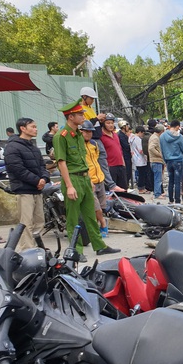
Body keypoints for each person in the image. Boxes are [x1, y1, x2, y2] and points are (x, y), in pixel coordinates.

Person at [53, 100, 120, 260]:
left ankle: (100, 245)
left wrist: (88, 178)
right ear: (71, 117)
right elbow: (61, 162)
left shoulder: (78, 135)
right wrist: (69, 186)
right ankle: (76, 250)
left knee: (90, 215)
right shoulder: (61, 136)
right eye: (80, 114)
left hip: (84, 179)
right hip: (73, 180)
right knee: (73, 218)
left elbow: (83, 160)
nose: (83, 116)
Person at [4, 117, 50, 251]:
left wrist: (44, 179)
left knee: (39, 221)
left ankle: (37, 247)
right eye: (33, 127)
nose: (36, 129)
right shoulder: (12, 147)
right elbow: (17, 169)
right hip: (24, 190)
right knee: (26, 223)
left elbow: (42, 166)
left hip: (37, 190)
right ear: (23, 128)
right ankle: (27, 250)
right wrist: (37, 181)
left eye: (36, 127)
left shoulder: (33, 147)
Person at [80, 120, 108, 238]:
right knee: (95, 206)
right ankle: (103, 224)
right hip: (88, 179)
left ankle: (97, 227)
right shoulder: (78, 145)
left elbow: (97, 160)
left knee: (102, 206)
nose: (88, 134)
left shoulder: (94, 144)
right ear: (80, 132)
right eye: (86, 132)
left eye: (90, 132)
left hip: (99, 178)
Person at [160, 120, 183, 204]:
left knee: (170, 181)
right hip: (178, 161)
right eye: (178, 127)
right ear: (176, 126)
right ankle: (177, 200)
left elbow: (162, 150)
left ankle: (171, 200)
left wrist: (165, 160)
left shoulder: (162, 136)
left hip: (168, 161)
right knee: (177, 182)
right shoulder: (179, 137)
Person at [101, 113, 127, 189]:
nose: (111, 125)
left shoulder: (115, 135)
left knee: (123, 189)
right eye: (108, 123)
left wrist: (123, 163)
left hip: (120, 165)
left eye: (112, 123)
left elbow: (120, 149)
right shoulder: (101, 136)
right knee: (112, 191)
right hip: (110, 167)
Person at [149, 123, 165, 199]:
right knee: (158, 178)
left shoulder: (153, 136)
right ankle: (157, 194)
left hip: (155, 160)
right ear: (161, 131)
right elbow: (151, 148)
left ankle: (157, 192)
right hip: (156, 160)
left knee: (157, 178)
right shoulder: (155, 138)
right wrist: (160, 154)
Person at [130, 125, 148, 193]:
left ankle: (141, 187)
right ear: (140, 132)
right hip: (140, 159)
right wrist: (146, 153)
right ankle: (141, 188)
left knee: (139, 174)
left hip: (135, 157)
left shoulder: (132, 138)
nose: (143, 135)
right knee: (142, 175)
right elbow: (141, 150)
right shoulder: (138, 139)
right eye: (142, 133)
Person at [117, 120, 133, 188]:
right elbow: (126, 146)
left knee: (129, 172)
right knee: (127, 172)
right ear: (123, 127)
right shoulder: (121, 135)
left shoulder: (123, 135)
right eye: (127, 126)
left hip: (127, 156)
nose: (128, 127)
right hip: (125, 156)